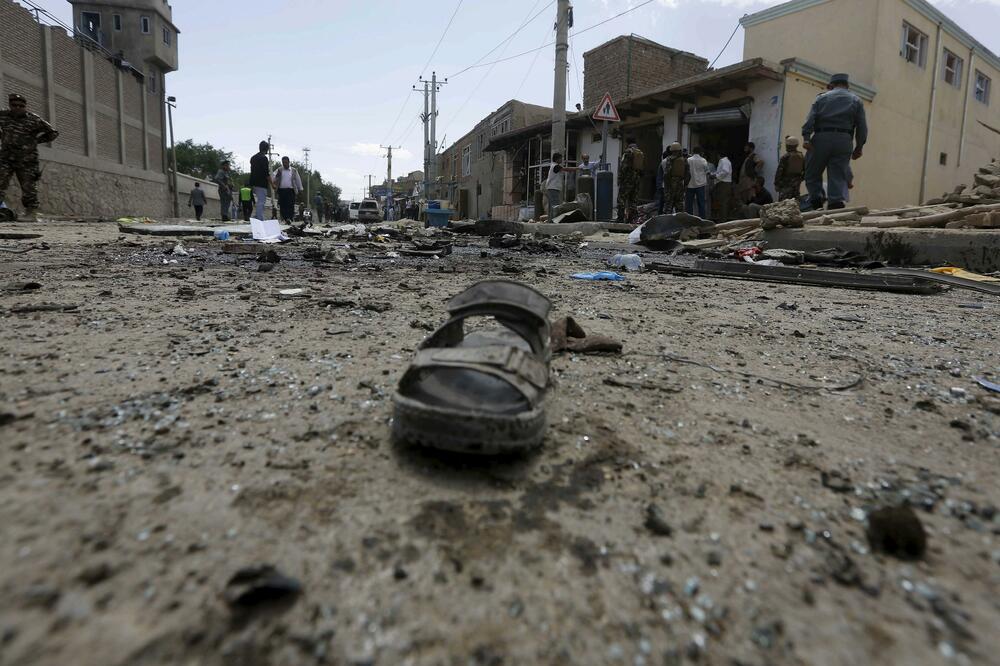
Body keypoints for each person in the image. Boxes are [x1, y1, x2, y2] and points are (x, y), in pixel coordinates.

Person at [802, 73, 867, 210]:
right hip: (844, 140)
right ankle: (835, 204)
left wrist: (806, 137)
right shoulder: (856, 100)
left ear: (830, 86)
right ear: (847, 86)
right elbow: (862, 126)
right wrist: (859, 147)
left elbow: (810, 119)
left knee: (812, 173)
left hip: (821, 138)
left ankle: (816, 202)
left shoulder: (821, 98)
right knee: (837, 174)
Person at [0, 93, 59, 222]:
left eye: (21, 106)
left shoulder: (34, 119)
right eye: (14, 105)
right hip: (6, 158)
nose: (17, 108)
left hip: (27, 160)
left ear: (25, 106)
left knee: (29, 188)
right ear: (10, 105)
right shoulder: (3, 116)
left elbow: (53, 133)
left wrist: (36, 141)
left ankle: (31, 214)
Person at [617, 137, 643, 223]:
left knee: (621, 198)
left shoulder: (628, 152)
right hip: (636, 179)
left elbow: (623, 167)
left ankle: (620, 218)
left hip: (627, 180)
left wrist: (620, 178)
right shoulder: (639, 152)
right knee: (633, 199)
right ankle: (632, 219)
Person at [545, 152, 578, 220]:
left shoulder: (554, 166)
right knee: (555, 205)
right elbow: (566, 169)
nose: (561, 160)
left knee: (552, 205)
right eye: (560, 158)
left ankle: (550, 220)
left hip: (552, 187)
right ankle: (554, 220)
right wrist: (577, 168)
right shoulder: (555, 166)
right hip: (553, 188)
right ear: (557, 159)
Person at [775, 136, 806, 202]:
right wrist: (800, 179)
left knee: (783, 204)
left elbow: (779, 171)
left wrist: (776, 184)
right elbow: (805, 170)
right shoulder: (801, 156)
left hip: (785, 184)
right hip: (796, 184)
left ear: (788, 145)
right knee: (795, 203)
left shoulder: (785, 157)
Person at [272, 156, 303, 222]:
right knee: (283, 205)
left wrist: (300, 189)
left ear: (289, 162)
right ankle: (285, 219)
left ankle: (290, 218)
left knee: (290, 204)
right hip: (282, 190)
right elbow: (272, 177)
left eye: (286, 162)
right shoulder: (279, 170)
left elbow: (298, 180)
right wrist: (276, 177)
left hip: (291, 190)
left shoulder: (294, 170)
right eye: (283, 162)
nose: (284, 164)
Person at [660, 143, 687, 215]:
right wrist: (685, 186)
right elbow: (688, 174)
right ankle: (680, 223)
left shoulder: (669, 159)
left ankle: (666, 223)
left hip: (670, 185)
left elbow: (667, 173)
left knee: (668, 207)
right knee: (679, 207)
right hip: (680, 185)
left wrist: (666, 185)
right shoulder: (684, 160)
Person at [249, 140, 272, 221]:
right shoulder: (264, 158)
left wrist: (250, 184)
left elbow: (252, 171)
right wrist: (272, 184)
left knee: (259, 200)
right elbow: (266, 173)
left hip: (254, 183)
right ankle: (259, 218)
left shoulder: (253, 158)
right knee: (261, 201)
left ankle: (255, 217)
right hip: (261, 183)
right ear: (266, 149)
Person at [685, 146, 710, 219]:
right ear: (701, 152)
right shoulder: (703, 160)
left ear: (693, 152)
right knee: (701, 203)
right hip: (700, 185)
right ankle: (702, 219)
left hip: (690, 184)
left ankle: (689, 219)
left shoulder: (688, 160)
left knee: (689, 204)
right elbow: (708, 171)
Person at [712, 152, 733, 221]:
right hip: (724, 183)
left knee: (723, 203)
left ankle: (723, 220)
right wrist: (714, 174)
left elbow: (725, 171)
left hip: (724, 184)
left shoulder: (724, 161)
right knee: (723, 202)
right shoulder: (725, 161)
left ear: (719, 155)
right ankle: (722, 218)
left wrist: (716, 176)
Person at [654, 149, 669, 214]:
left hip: (663, 186)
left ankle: (660, 216)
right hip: (670, 186)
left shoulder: (663, 162)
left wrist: (659, 186)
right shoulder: (675, 161)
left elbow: (659, 176)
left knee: (661, 203)